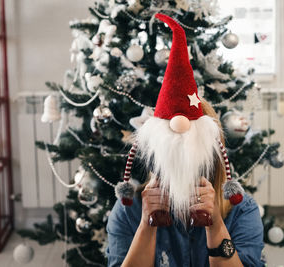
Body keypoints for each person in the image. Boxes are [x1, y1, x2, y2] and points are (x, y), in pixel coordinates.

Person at [106, 14, 264, 266]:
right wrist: (147, 225)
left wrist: (214, 224)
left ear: (212, 156)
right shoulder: (128, 210)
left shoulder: (241, 209)